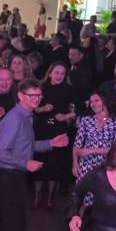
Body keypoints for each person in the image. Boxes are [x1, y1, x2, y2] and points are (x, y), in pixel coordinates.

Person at [0, 79, 69, 231]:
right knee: (10, 223)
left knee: (15, 223)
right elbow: (0, 152)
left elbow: (26, 145)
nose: (36, 99)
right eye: (32, 95)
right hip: (7, 175)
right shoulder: (14, 118)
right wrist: (25, 163)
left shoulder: (27, 116)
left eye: (39, 95)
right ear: (20, 96)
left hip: (15, 175)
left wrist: (51, 143)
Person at [70, 92, 116, 231]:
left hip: (107, 167)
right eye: (91, 101)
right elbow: (77, 145)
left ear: (105, 101)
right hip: (86, 166)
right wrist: (75, 163)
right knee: (82, 201)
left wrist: (91, 150)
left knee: (101, 202)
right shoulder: (86, 121)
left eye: (96, 100)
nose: (93, 104)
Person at [32, 62, 76, 210]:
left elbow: (76, 111)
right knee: (40, 161)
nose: (59, 76)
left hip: (59, 129)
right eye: (56, 72)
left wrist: (65, 116)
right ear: (50, 73)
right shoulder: (40, 87)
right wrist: (43, 108)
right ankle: (37, 195)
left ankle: (50, 196)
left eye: (62, 73)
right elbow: (33, 108)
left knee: (55, 164)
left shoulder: (69, 89)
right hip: (42, 128)